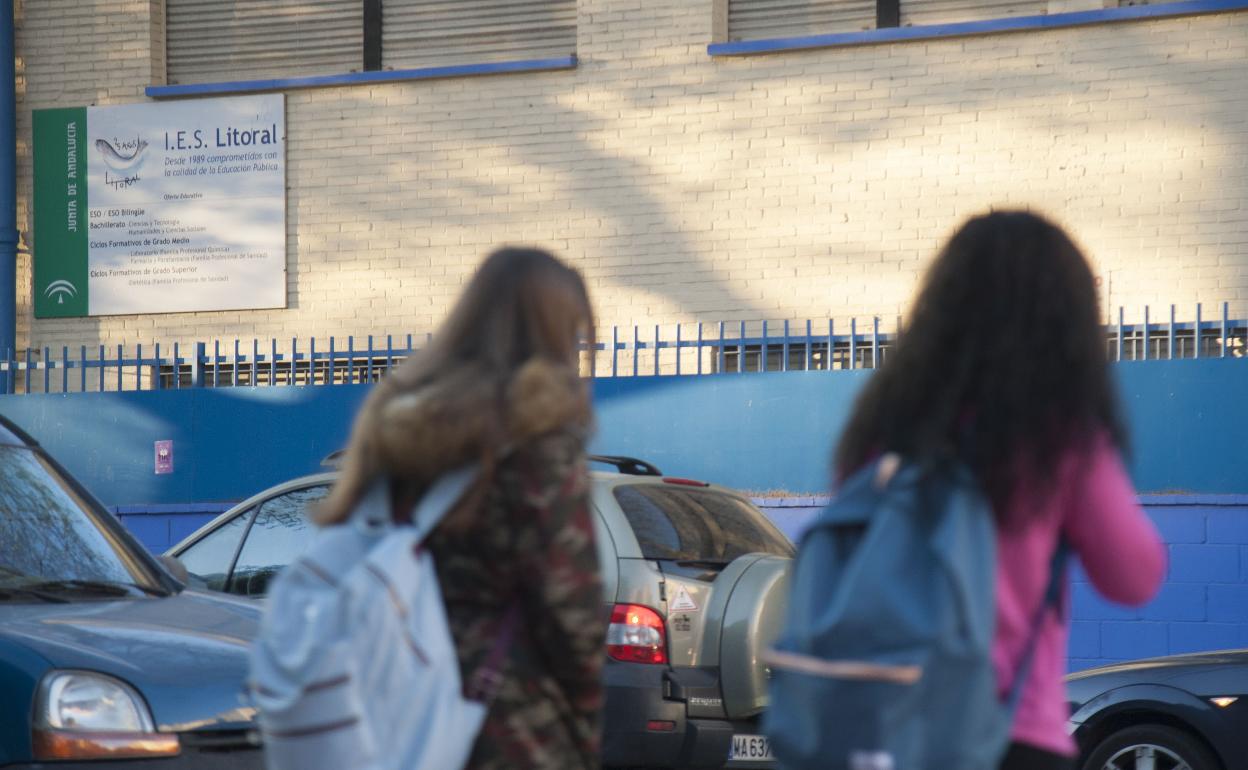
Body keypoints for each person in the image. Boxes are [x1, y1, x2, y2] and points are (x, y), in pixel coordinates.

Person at [834, 211, 1166, 770]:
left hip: (884, 733)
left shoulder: (884, 427)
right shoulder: (1056, 437)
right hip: (1009, 736)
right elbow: (1134, 578)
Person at [317, 246, 607, 769]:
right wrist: (584, 722)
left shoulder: (397, 423)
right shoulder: (537, 442)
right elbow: (570, 608)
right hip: (502, 724)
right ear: (555, 331)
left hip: (392, 706)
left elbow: (348, 534)